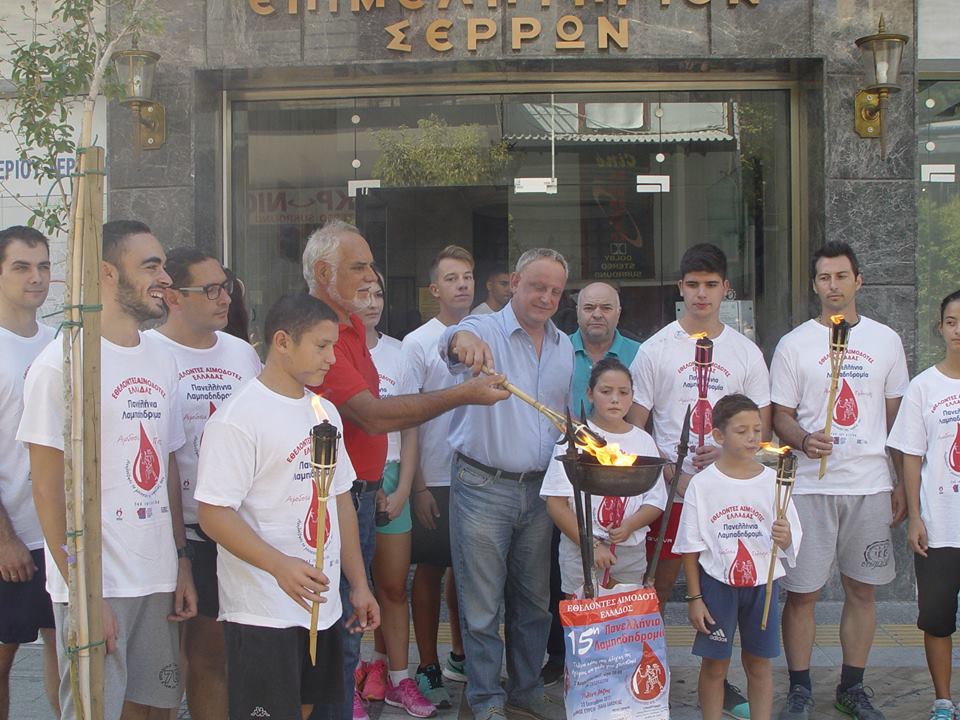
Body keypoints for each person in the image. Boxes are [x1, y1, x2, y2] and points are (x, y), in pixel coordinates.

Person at [300, 220, 508, 720]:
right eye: (359, 267)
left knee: (364, 602)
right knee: (336, 615)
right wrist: (464, 394)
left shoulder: (353, 330)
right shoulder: (320, 333)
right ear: (325, 274)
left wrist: (383, 480)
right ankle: (339, 702)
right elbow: (372, 414)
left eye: (372, 267)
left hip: (363, 489)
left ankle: (375, 682)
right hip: (329, 497)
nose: (372, 277)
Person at [19, 220, 197, 719]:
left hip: (156, 574)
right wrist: (84, 592)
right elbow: (47, 489)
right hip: (98, 582)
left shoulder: (162, 357)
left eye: (164, 265)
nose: (165, 278)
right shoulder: (62, 364)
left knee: (157, 709)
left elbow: (165, 463)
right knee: (96, 710)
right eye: (151, 266)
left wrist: (181, 559)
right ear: (106, 272)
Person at [195, 292, 378, 720]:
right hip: (262, 609)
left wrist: (358, 583)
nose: (332, 358)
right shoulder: (237, 419)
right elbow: (213, 514)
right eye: (321, 345)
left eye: (334, 346)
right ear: (282, 342)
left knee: (306, 706)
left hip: (321, 604)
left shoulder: (325, 412)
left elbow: (339, 500)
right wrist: (279, 566)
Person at [629, 243, 770, 719]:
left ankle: (719, 680)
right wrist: (666, 465)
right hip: (673, 491)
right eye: (692, 284)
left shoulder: (745, 352)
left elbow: (761, 429)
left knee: (719, 588)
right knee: (657, 586)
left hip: (728, 497)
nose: (701, 294)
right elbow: (635, 426)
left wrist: (729, 454)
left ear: (726, 288)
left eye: (711, 284)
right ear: (680, 288)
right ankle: (645, 678)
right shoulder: (656, 349)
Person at [770, 241, 908, 720]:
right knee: (802, 593)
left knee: (863, 590)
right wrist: (805, 440)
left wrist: (899, 482)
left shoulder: (886, 341)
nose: (833, 285)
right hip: (810, 487)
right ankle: (800, 688)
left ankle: (852, 686)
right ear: (815, 284)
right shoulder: (794, 344)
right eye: (825, 277)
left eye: (842, 276)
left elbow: (895, 420)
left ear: (858, 281)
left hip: (869, 484)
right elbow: (781, 416)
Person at [441, 247, 573, 720]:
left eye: (555, 291)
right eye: (537, 286)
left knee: (535, 604)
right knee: (481, 606)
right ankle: (485, 699)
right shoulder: (485, 329)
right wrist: (462, 342)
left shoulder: (563, 345)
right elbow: (456, 341)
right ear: (515, 282)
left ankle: (525, 689)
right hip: (483, 486)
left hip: (540, 493)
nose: (546, 298)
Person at [148, 248, 263, 720]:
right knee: (174, 664)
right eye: (210, 289)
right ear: (173, 296)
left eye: (226, 287)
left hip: (239, 527)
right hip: (175, 532)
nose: (225, 298)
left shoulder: (241, 353)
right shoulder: (148, 352)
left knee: (223, 655)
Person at [540, 281, 642, 686]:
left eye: (606, 307)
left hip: (621, 470)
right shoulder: (557, 349)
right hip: (569, 472)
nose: (597, 314)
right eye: (588, 307)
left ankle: (619, 675)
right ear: (577, 311)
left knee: (621, 600)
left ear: (619, 312)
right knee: (566, 580)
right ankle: (564, 660)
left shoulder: (639, 353)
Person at [675, 394, 801, 720]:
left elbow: (791, 538)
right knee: (715, 665)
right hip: (717, 586)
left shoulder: (774, 481)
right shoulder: (703, 485)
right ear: (719, 435)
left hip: (762, 586)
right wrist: (695, 598)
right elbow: (689, 545)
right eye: (741, 431)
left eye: (757, 430)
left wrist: (785, 536)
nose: (751, 438)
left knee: (759, 663)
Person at [355, 272, 435, 718]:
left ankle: (399, 679)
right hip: (346, 480)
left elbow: (409, 425)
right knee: (347, 588)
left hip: (389, 476)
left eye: (378, 294)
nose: (372, 302)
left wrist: (404, 487)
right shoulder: (331, 349)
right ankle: (347, 678)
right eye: (362, 294)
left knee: (392, 586)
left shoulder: (399, 353)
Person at [401, 246, 474, 709]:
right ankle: (427, 665)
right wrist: (419, 485)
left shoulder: (489, 330)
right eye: (451, 278)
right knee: (430, 568)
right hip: (435, 476)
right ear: (434, 289)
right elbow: (407, 415)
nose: (462, 284)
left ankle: (461, 655)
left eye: (467, 276)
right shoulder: (418, 343)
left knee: (468, 571)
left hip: (479, 474)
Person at [887, 290, 960, 720]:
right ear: (941, 328)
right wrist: (915, 516)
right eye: (952, 322)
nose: (959, 330)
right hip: (940, 525)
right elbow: (911, 456)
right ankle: (943, 701)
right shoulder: (924, 387)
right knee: (936, 619)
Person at [541, 358, 666, 592]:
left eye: (623, 392)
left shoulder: (643, 441)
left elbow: (655, 501)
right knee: (583, 610)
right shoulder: (575, 440)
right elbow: (556, 504)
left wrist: (630, 525)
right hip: (580, 547)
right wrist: (592, 545)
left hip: (630, 549)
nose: (615, 399)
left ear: (632, 397)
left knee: (625, 611)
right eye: (606, 391)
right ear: (590, 394)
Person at [0, 226, 58, 720]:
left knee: (66, 647)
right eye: (21, 267)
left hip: (58, 529)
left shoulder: (60, 343)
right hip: (12, 532)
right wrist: (4, 539)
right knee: (2, 656)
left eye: (43, 266)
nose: (36, 277)